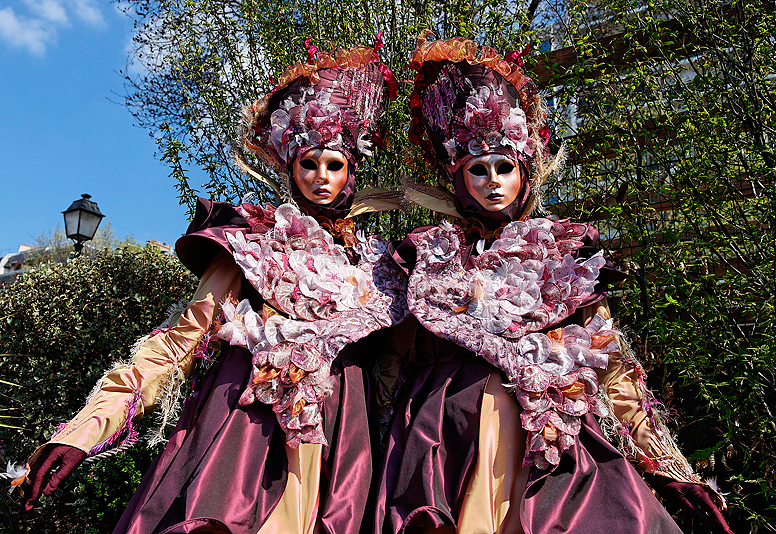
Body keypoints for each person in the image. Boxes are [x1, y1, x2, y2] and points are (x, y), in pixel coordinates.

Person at [20, 37, 407, 534]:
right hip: (247, 437)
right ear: (289, 168)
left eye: (334, 165)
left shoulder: (377, 264)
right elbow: (178, 340)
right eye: (308, 164)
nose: (320, 177)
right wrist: (88, 427)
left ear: (352, 171)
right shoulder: (254, 243)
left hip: (344, 452)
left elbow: (395, 375)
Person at [374, 34, 733, 534]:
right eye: (478, 169)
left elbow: (614, 369)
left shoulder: (564, 255)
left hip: (547, 443)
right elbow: (389, 366)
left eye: (505, 168)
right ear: (458, 178)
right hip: (440, 447)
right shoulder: (427, 257)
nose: (493, 181)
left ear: (526, 174)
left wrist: (666, 466)